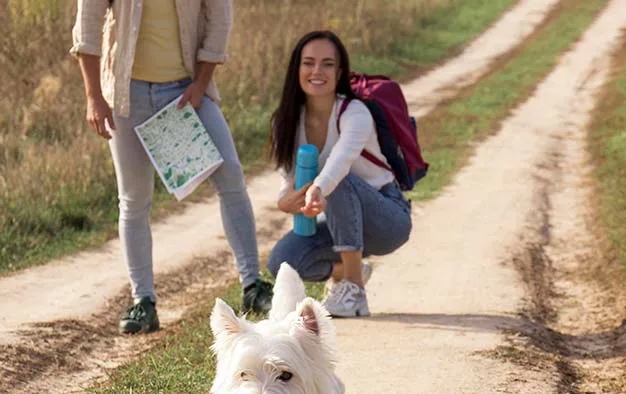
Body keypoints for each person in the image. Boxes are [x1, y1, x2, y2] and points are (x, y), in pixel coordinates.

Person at [71, 0, 272, 334]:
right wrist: (94, 97)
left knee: (231, 175)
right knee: (134, 200)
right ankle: (143, 303)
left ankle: (252, 286)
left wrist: (202, 82)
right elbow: (87, 24)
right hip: (126, 94)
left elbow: (219, 16)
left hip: (186, 90)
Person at [266, 30, 412, 318]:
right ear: (297, 69)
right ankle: (347, 270)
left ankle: (354, 291)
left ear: (340, 71)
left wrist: (317, 190)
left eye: (327, 64)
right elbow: (288, 182)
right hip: (336, 219)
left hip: (386, 218)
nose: (317, 71)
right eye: (308, 63)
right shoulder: (286, 121)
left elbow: (339, 164)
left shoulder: (354, 112)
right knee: (282, 262)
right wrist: (286, 202)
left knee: (339, 184)